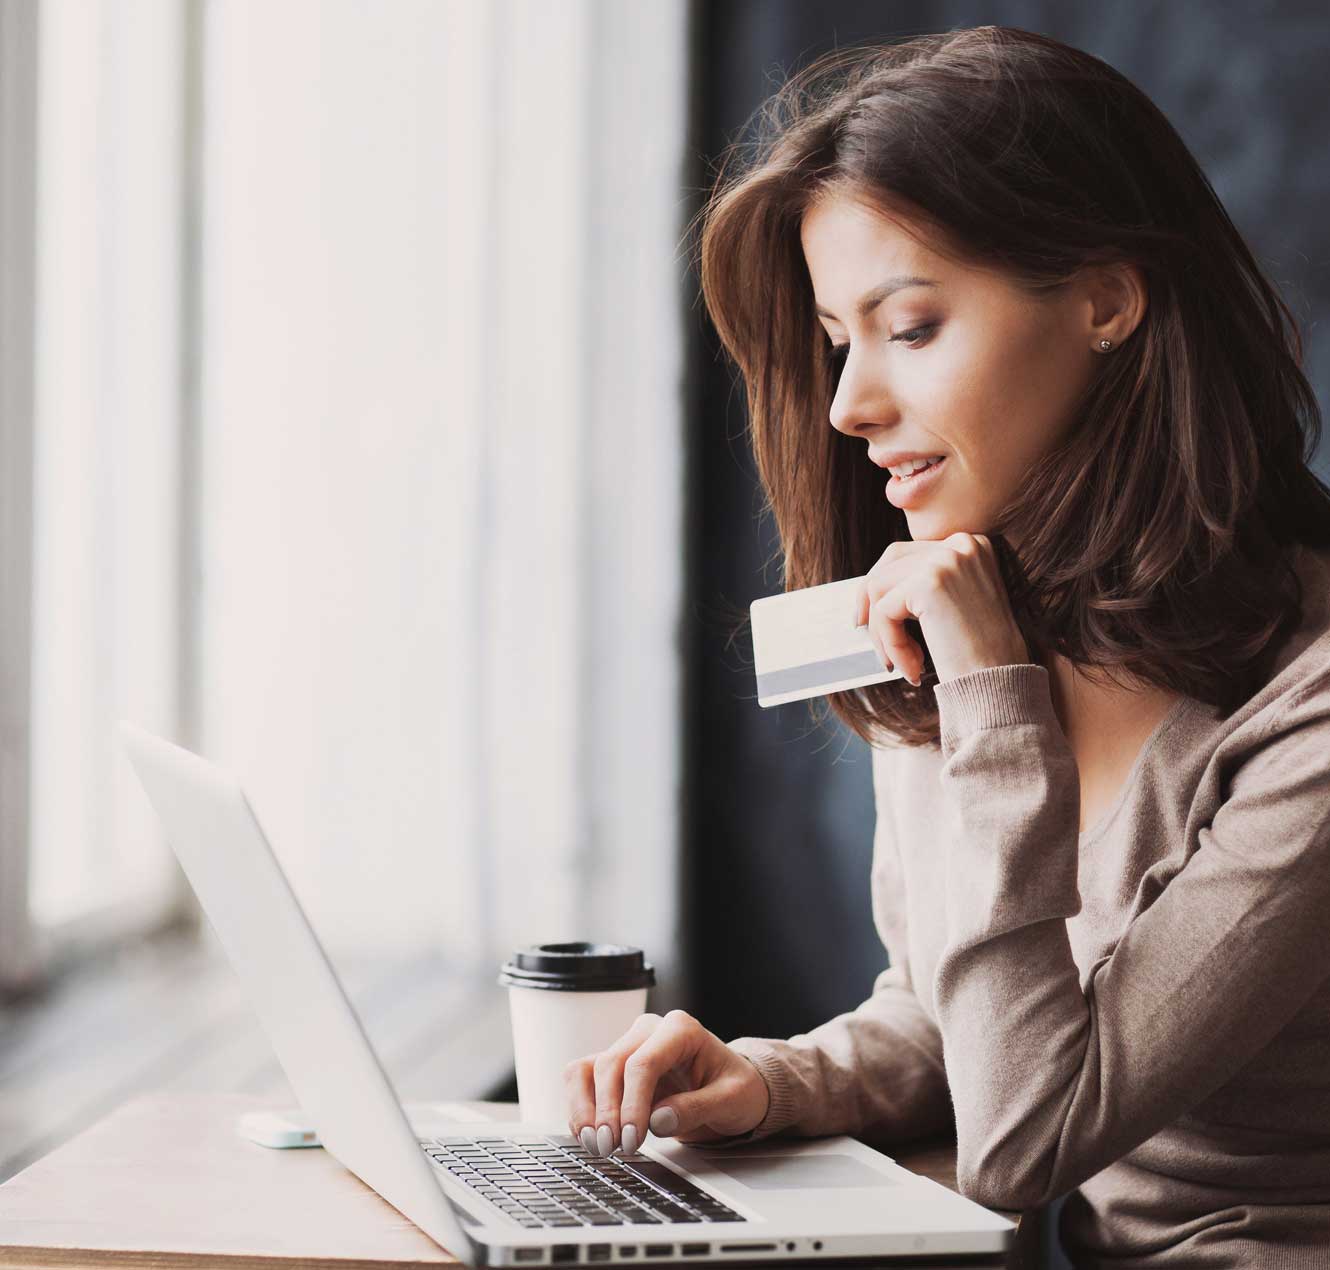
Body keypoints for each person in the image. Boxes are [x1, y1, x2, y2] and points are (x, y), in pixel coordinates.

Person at [563, 25, 1330, 1267]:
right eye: (834, 339)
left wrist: (992, 700)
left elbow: (1025, 1130)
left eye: (909, 326)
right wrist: (769, 1082)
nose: (846, 404)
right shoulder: (968, 608)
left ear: (1106, 301)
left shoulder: (1301, 708)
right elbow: (957, 1015)